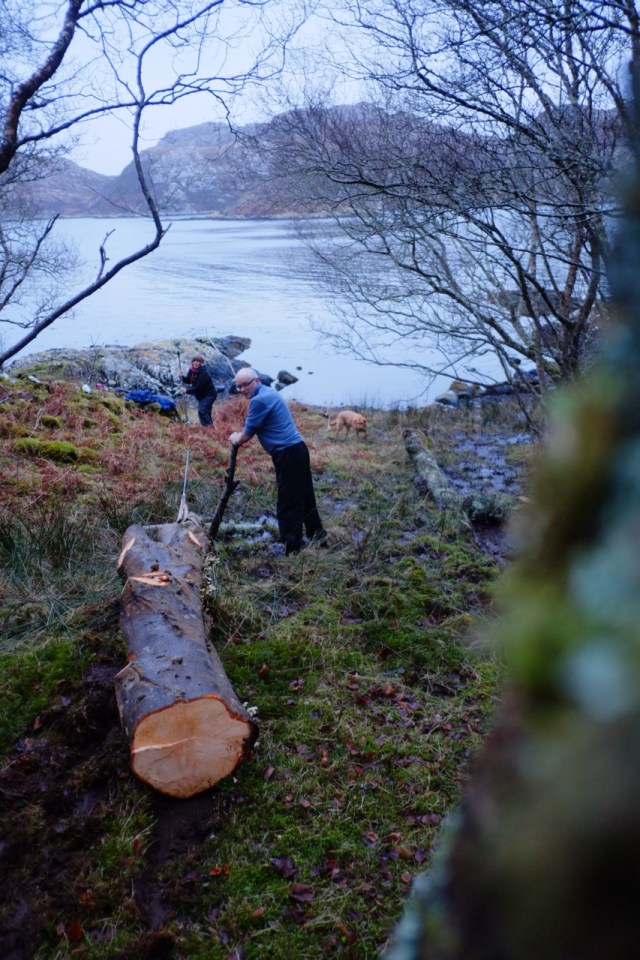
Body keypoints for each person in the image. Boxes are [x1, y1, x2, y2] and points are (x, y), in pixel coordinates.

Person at [229, 368, 327, 556]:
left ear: (256, 380)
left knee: (288, 501)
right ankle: (318, 535)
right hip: (297, 450)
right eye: (238, 386)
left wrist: (235, 438)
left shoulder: (259, 400)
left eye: (245, 385)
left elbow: (245, 436)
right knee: (305, 495)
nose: (242, 389)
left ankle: (292, 548)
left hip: (288, 453)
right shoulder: (267, 392)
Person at [181, 354, 217, 426]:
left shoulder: (204, 373)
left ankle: (209, 429)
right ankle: (209, 429)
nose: (195, 362)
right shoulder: (192, 370)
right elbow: (188, 380)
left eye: (198, 361)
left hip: (209, 395)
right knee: (206, 412)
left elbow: (198, 388)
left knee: (202, 411)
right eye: (194, 361)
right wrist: (182, 376)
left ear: (201, 363)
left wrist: (186, 390)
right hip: (202, 396)